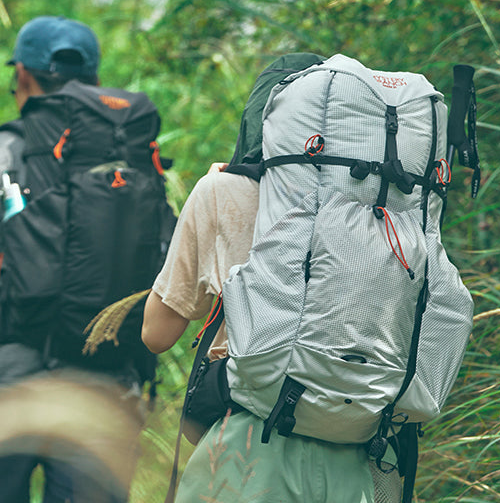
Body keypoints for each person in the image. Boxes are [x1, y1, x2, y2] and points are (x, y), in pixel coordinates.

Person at [141, 53, 402, 503]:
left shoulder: (221, 191)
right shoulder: (387, 209)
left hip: (248, 443)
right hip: (362, 443)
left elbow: (156, 334)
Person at [0, 16, 146, 503]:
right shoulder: (134, 160)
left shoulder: (6, 150)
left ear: (22, 75)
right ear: (96, 80)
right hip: (105, 369)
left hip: (12, 365)